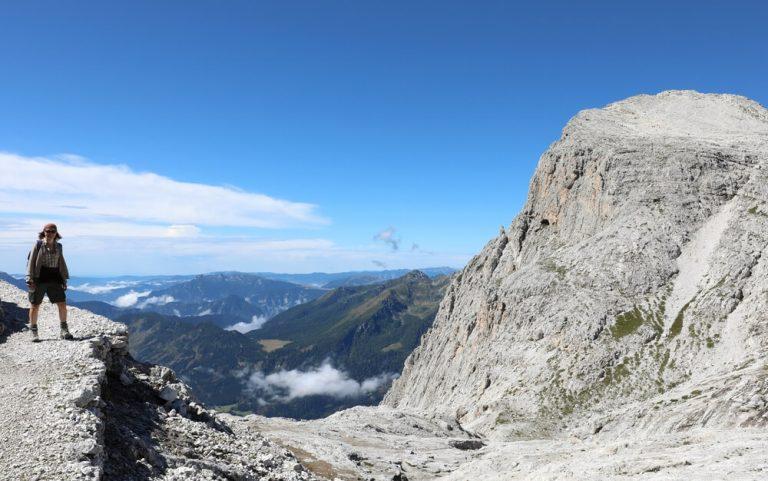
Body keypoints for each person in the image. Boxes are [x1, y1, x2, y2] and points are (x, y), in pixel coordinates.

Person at [25, 223, 73, 342]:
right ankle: (34, 331)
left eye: (52, 231)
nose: (50, 233)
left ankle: (64, 330)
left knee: (62, 303)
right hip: (39, 278)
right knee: (35, 305)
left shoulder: (59, 246)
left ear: (56, 233)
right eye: (47, 231)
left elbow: (61, 263)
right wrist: (29, 279)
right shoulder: (38, 245)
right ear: (43, 232)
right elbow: (31, 262)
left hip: (55, 278)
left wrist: (64, 279)